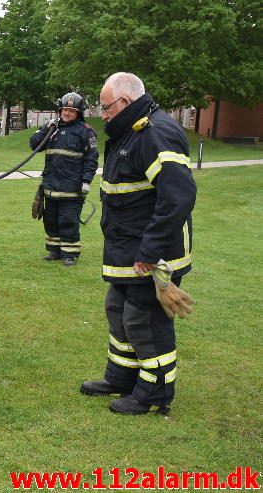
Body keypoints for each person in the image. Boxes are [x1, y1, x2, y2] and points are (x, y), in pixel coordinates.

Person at [80, 72, 196, 415]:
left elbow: (177, 197)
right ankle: (122, 376)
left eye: (105, 108)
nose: (102, 115)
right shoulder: (129, 132)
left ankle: (154, 394)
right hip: (127, 250)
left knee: (145, 320)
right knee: (118, 311)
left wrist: (150, 253)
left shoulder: (155, 133)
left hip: (153, 254)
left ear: (125, 102)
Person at [30, 92, 98, 266]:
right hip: (51, 185)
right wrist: (46, 128)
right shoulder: (52, 129)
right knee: (50, 220)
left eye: (71, 110)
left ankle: (70, 254)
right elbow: (34, 145)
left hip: (72, 187)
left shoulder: (86, 132)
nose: (67, 113)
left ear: (78, 113)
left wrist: (86, 181)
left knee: (68, 220)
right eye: (64, 109)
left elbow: (91, 158)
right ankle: (54, 251)